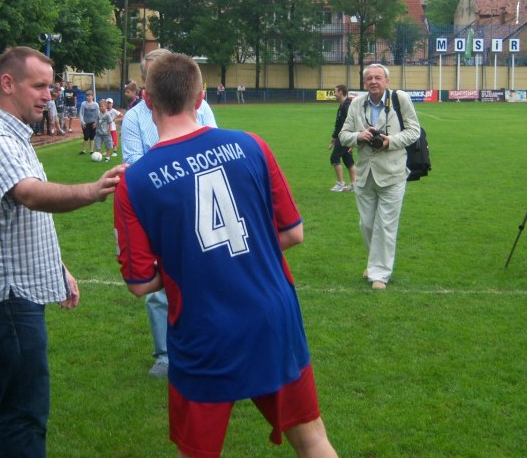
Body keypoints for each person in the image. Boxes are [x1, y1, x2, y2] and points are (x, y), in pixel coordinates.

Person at [114, 52, 338, 458]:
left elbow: (140, 283)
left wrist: (190, 259)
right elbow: (293, 232)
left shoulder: (134, 182)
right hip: (272, 316)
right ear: (201, 98)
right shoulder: (251, 145)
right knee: (312, 439)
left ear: (146, 100)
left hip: (204, 330)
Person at [0, 46, 125, 456]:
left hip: (3, 295)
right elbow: (29, 195)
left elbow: (18, 221)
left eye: (49, 86)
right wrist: (93, 190)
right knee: (23, 413)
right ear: (7, 84)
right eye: (40, 86)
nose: (49, 95)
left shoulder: (12, 135)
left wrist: (58, 267)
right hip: (8, 299)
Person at [121, 48, 218, 378]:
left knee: (207, 274)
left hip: (201, 199)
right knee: (159, 289)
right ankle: (165, 354)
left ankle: (208, 344)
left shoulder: (201, 106)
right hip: (159, 207)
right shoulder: (134, 117)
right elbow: (133, 162)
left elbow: (211, 144)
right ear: (145, 81)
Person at [338, 64, 420, 290]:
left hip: (393, 173)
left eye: (378, 77)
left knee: (385, 225)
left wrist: (390, 141)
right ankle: (375, 263)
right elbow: (343, 135)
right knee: (366, 224)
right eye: (369, 78)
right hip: (365, 174)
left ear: (387, 81)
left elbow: (414, 131)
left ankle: (379, 275)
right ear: (364, 83)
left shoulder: (400, 99)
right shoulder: (356, 103)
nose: (373, 81)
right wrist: (359, 136)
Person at [329, 84, 355, 192]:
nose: (334, 94)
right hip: (342, 137)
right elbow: (338, 124)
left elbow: (353, 123)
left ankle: (341, 183)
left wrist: (352, 140)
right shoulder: (342, 105)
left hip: (345, 138)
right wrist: (334, 138)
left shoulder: (346, 106)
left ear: (340, 92)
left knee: (334, 158)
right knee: (348, 161)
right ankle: (354, 185)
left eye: (335, 91)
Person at [78, 88, 99, 154]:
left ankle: (91, 150)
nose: (88, 97)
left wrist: (96, 122)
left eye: (89, 96)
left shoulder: (96, 105)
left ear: (92, 96)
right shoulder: (83, 104)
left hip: (93, 123)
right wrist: (82, 122)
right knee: (86, 136)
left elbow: (98, 114)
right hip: (85, 123)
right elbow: (81, 113)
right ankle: (83, 150)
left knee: (92, 137)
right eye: (87, 96)